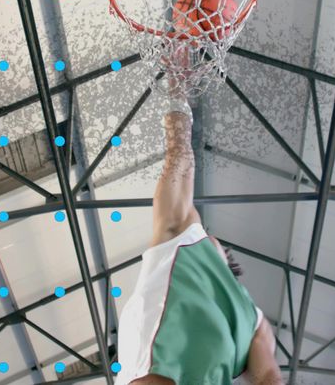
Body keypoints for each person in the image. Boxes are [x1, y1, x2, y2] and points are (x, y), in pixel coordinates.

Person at [115, 62, 284, 385]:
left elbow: (178, 153)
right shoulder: (252, 321)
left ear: (223, 255)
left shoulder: (182, 237)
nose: (209, 236)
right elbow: (268, 378)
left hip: (153, 364)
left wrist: (178, 86)